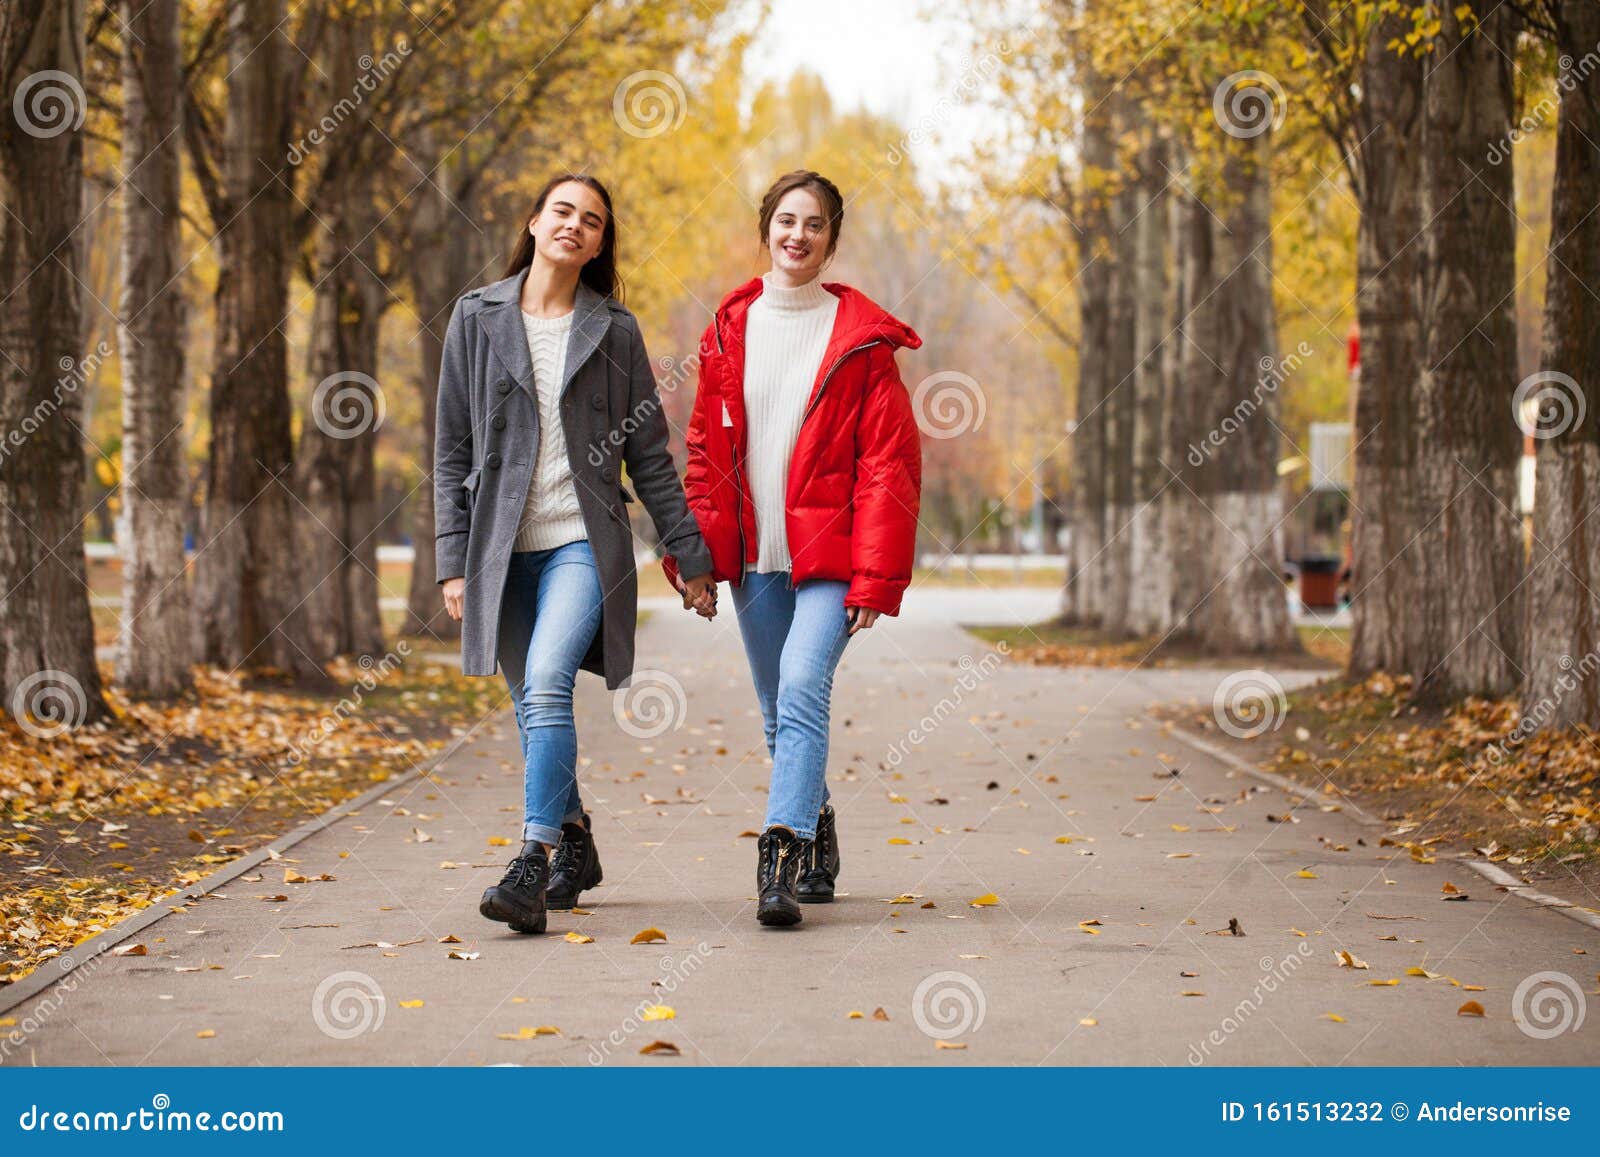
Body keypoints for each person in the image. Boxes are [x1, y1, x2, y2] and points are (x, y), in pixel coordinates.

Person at [433, 173, 717, 935]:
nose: (575, 226)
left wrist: (690, 556)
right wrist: (452, 560)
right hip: (500, 549)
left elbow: (649, 458)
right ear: (533, 222)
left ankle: (532, 860)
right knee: (531, 705)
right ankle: (578, 841)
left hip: (581, 543)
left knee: (551, 680)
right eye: (563, 211)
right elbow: (451, 446)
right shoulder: (476, 317)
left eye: (592, 221)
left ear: (598, 243)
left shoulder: (614, 330)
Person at [663, 170, 922, 927]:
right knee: (780, 712)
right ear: (765, 229)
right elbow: (706, 454)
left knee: (804, 684)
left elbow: (888, 464)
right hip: (752, 557)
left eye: (813, 224)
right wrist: (695, 560)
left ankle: (780, 852)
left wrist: (875, 577)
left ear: (830, 240)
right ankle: (819, 821)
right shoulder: (727, 329)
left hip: (829, 559)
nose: (797, 235)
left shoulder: (862, 343)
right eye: (785, 220)